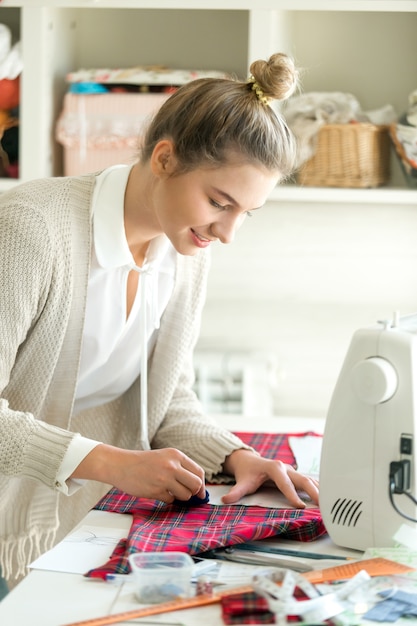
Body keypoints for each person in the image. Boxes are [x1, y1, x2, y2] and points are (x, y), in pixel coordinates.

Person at [0, 52, 319, 591]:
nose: (227, 232)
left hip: (82, 520)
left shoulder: (183, 250)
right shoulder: (32, 231)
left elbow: (169, 400)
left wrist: (235, 456)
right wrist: (113, 463)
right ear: (165, 158)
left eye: (245, 213)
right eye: (219, 202)